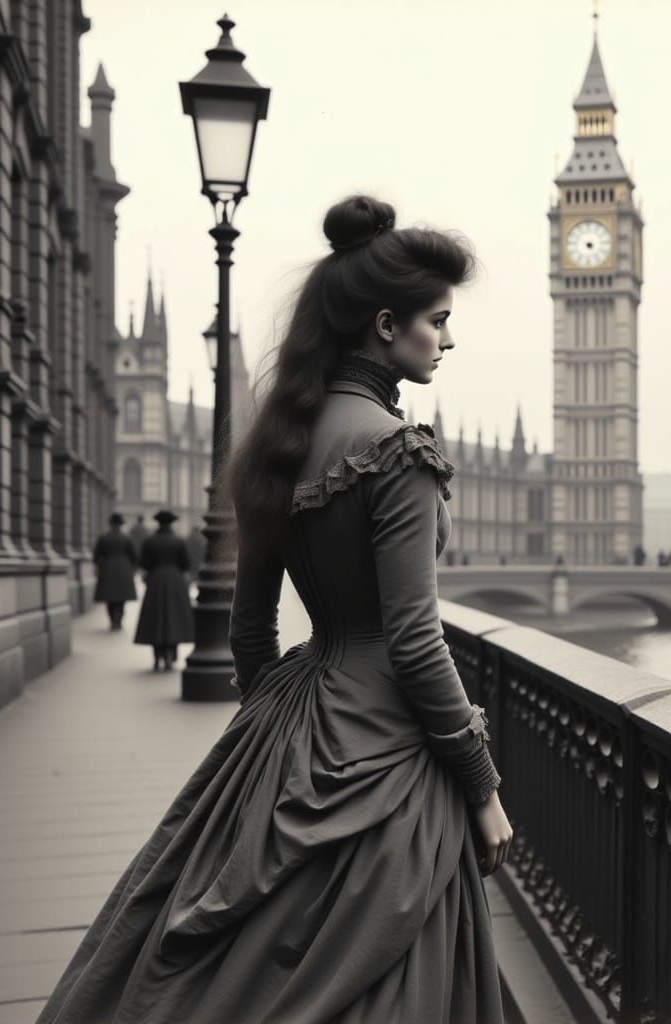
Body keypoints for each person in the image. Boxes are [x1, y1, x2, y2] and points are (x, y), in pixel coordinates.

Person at [36, 195, 511, 1023]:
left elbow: (250, 634)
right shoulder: (401, 453)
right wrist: (480, 784)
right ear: (388, 325)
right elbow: (414, 639)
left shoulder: (276, 443)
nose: (448, 337)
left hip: (294, 717)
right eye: (438, 320)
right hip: (390, 751)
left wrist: (281, 740)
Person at [132, 509, 195, 671]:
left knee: (155, 618)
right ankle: (171, 655)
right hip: (175, 581)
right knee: (174, 618)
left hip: (155, 581)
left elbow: (144, 563)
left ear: (158, 523)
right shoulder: (178, 541)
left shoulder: (150, 541)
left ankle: (157, 656)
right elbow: (186, 563)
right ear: (172, 523)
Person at [92, 512, 137, 630]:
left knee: (110, 596)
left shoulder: (103, 538)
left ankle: (113, 620)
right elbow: (133, 557)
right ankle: (119, 619)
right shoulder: (126, 538)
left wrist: (102, 565)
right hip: (123, 569)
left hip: (108, 569)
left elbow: (96, 557)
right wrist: (131, 569)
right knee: (121, 597)